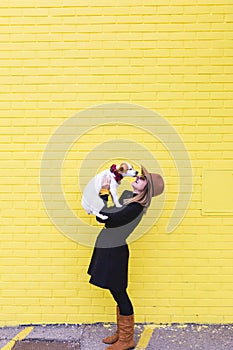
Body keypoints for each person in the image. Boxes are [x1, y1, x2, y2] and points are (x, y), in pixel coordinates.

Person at [87, 165, 164, 350]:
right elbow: (103, 216)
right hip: (108, 247)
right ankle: (122, 333)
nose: (138, 176)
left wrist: (104, 192)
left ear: (147, 188)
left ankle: (127, 339)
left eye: (143, 178)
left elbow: (107, 217)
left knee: (120, 292)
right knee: (116, 292)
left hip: (115, 252)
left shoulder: (136, 208)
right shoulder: (127, 197)